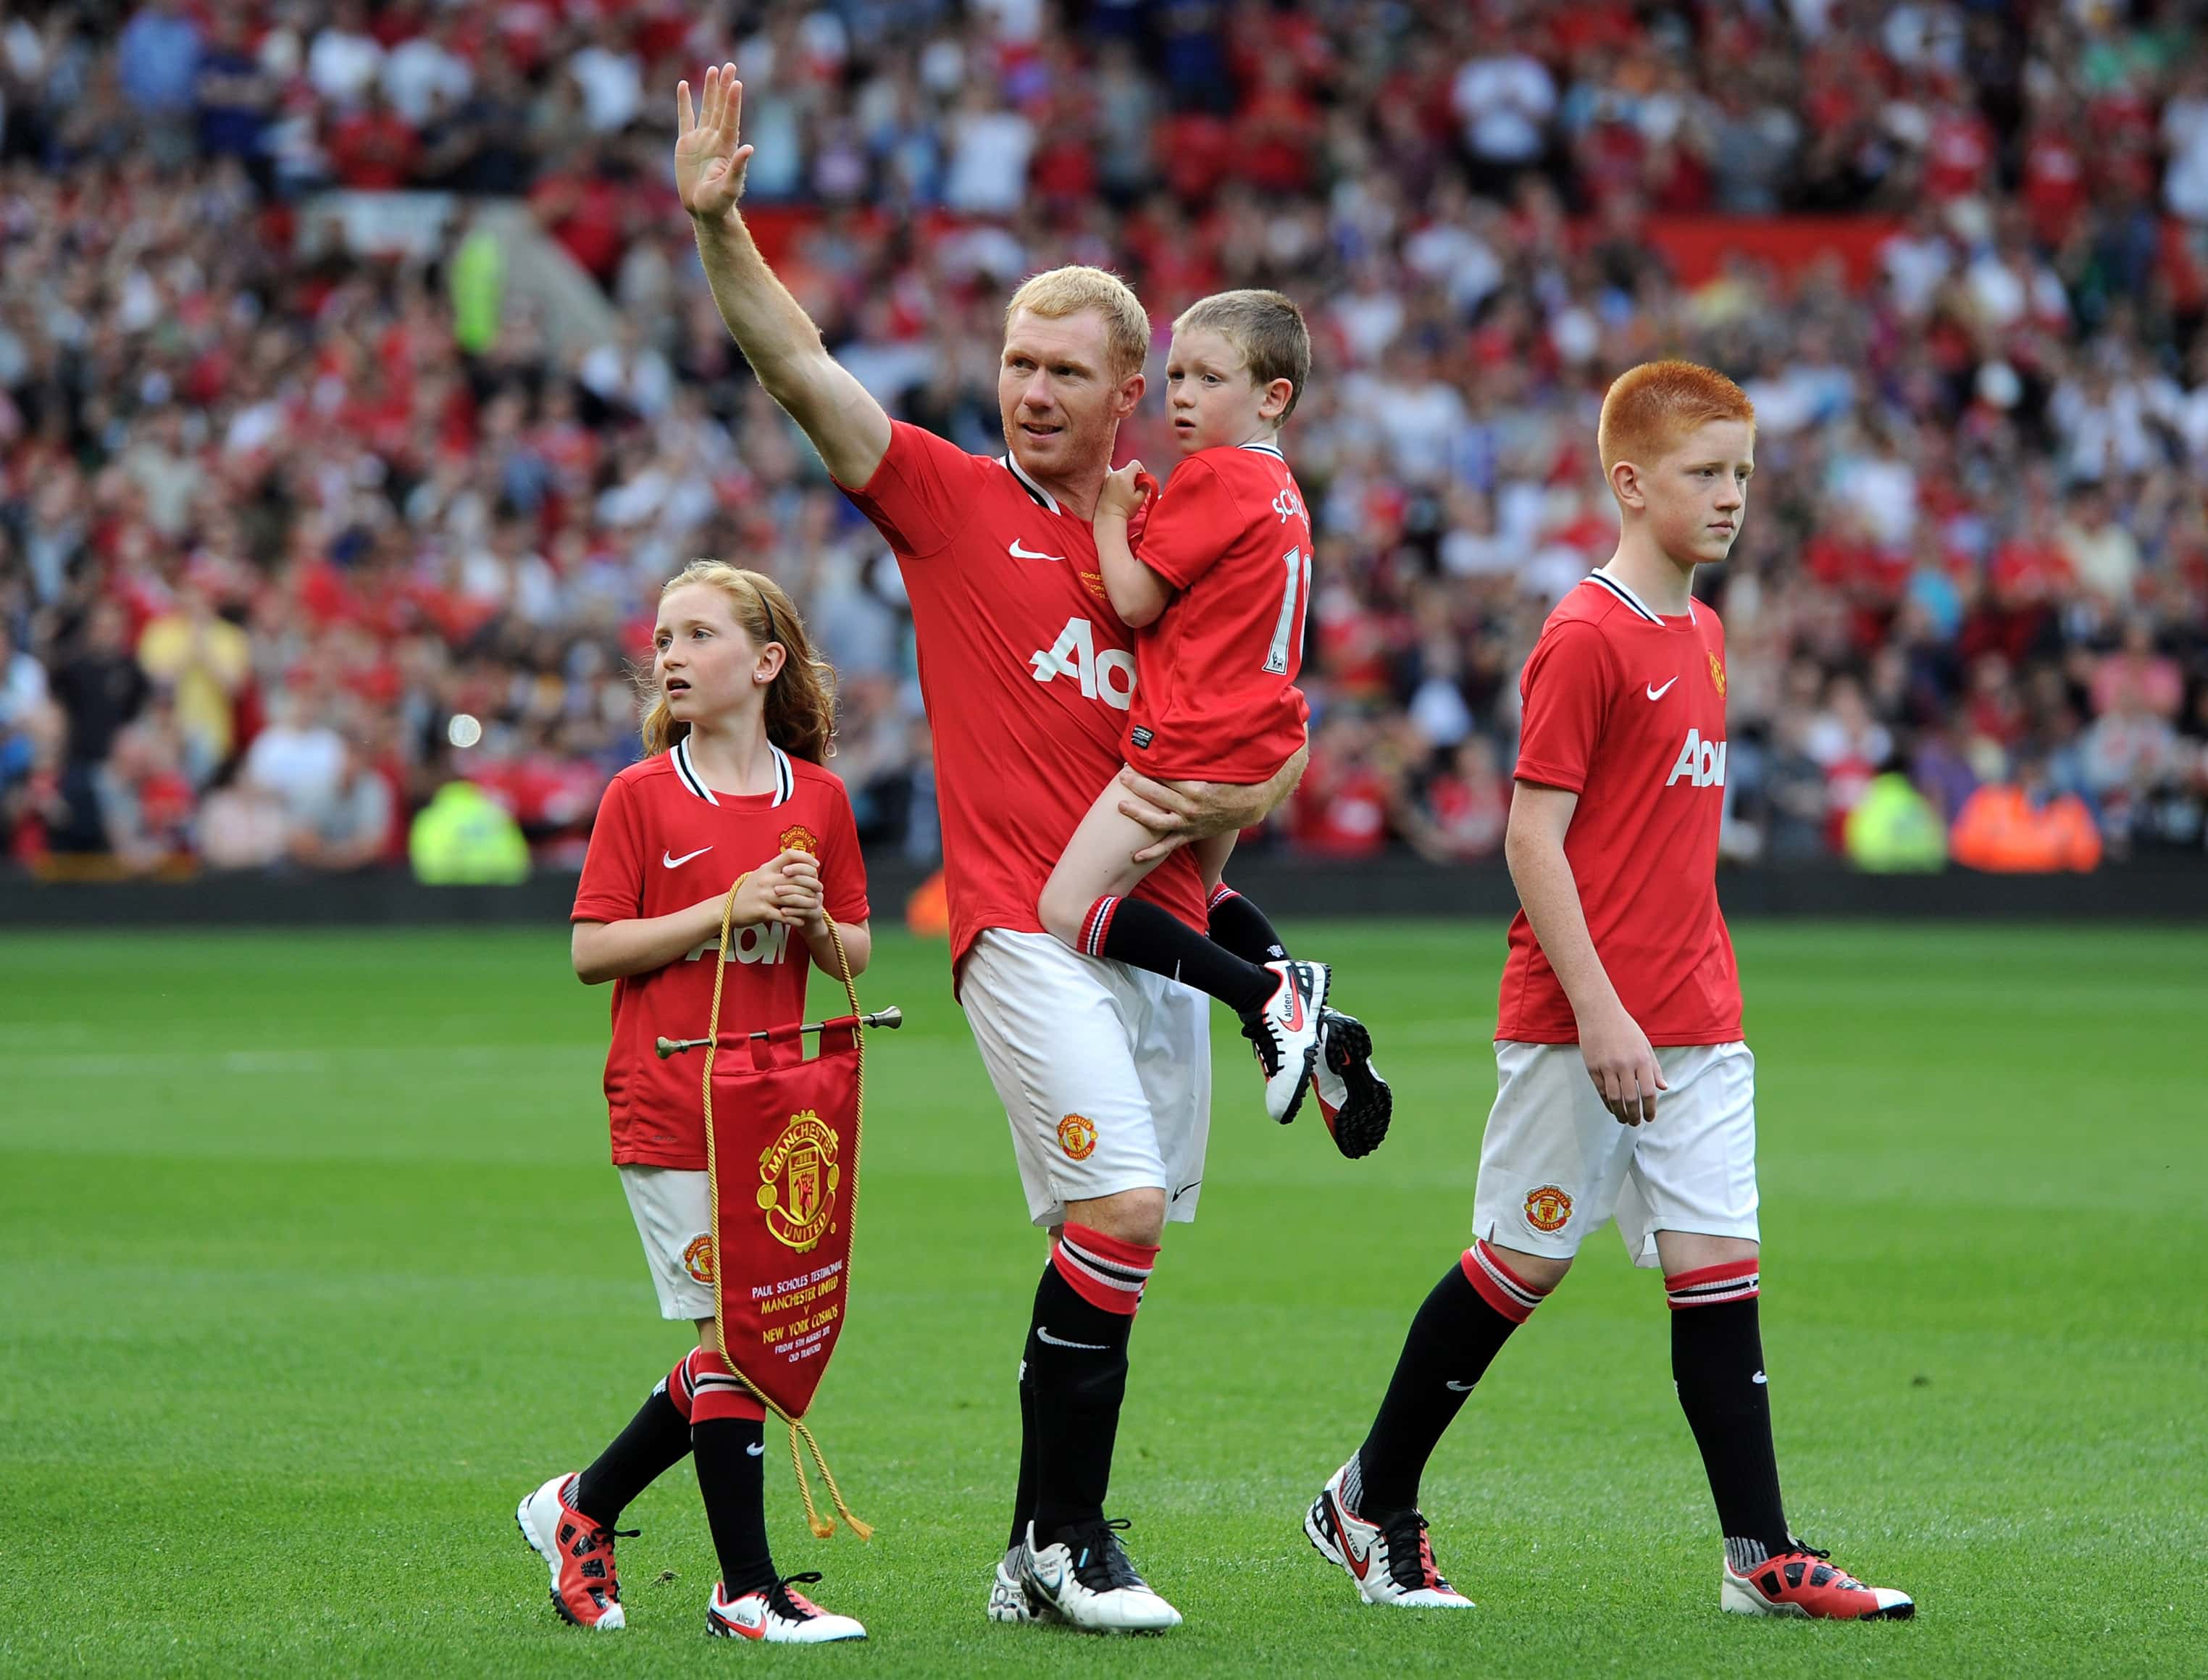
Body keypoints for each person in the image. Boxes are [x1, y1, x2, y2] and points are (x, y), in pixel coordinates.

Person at [672, 64, 1379, 1634]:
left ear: (1135, 391)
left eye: (1065, 369)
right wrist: (721, 227)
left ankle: (1023, 1558)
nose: (1030, 391)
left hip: (1157, 942)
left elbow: (1235, 739)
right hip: (1021, 928)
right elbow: (796, 365)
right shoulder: (947, 502)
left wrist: (1249, 868)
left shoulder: (1191, 538)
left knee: (1101, 1246)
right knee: (1117, 1213)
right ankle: (1070, 1541)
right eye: (1014, 361)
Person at [1304, 362, 1915, 1621]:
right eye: (1705, 472)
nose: (1732, 495)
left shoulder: (1701, 630)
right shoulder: (1582, 633)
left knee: (1717, 1268)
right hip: (1579, 1020)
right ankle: (1365, 1497)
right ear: (1629, 483)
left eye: (1742, 471)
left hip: (1697, 1011)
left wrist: (1664, 1001)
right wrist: (1600, 1012)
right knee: (1519, 1263)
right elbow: (1532, 840)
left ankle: (1760, 1551)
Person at [519, 560, 873, 1645]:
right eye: (664, 637)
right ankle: (747, 1588)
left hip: (777, 1114)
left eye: (697, 635)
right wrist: (722, 906)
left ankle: (582, 1504)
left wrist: (808, 918)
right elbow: (591, 949)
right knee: (737, 1336)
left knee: (746, 1337)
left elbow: (854, 945)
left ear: (765, 663)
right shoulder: (640, 795)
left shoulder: (817, 797)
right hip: (671, 1098)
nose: (669, 655)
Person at [1033, 288, 1388, 1153]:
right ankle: (1303, 1001)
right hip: (1252, 735)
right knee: (1195, 893)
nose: (1181, 395)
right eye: (1176, 375)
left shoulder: (1218, 475)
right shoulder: (1281, 488)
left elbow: (1134, 599)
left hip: (1185, 741)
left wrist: (1115, 519)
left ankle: (1264, 997)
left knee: (1069, 905)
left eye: (1209, 378)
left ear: (1273, 397)